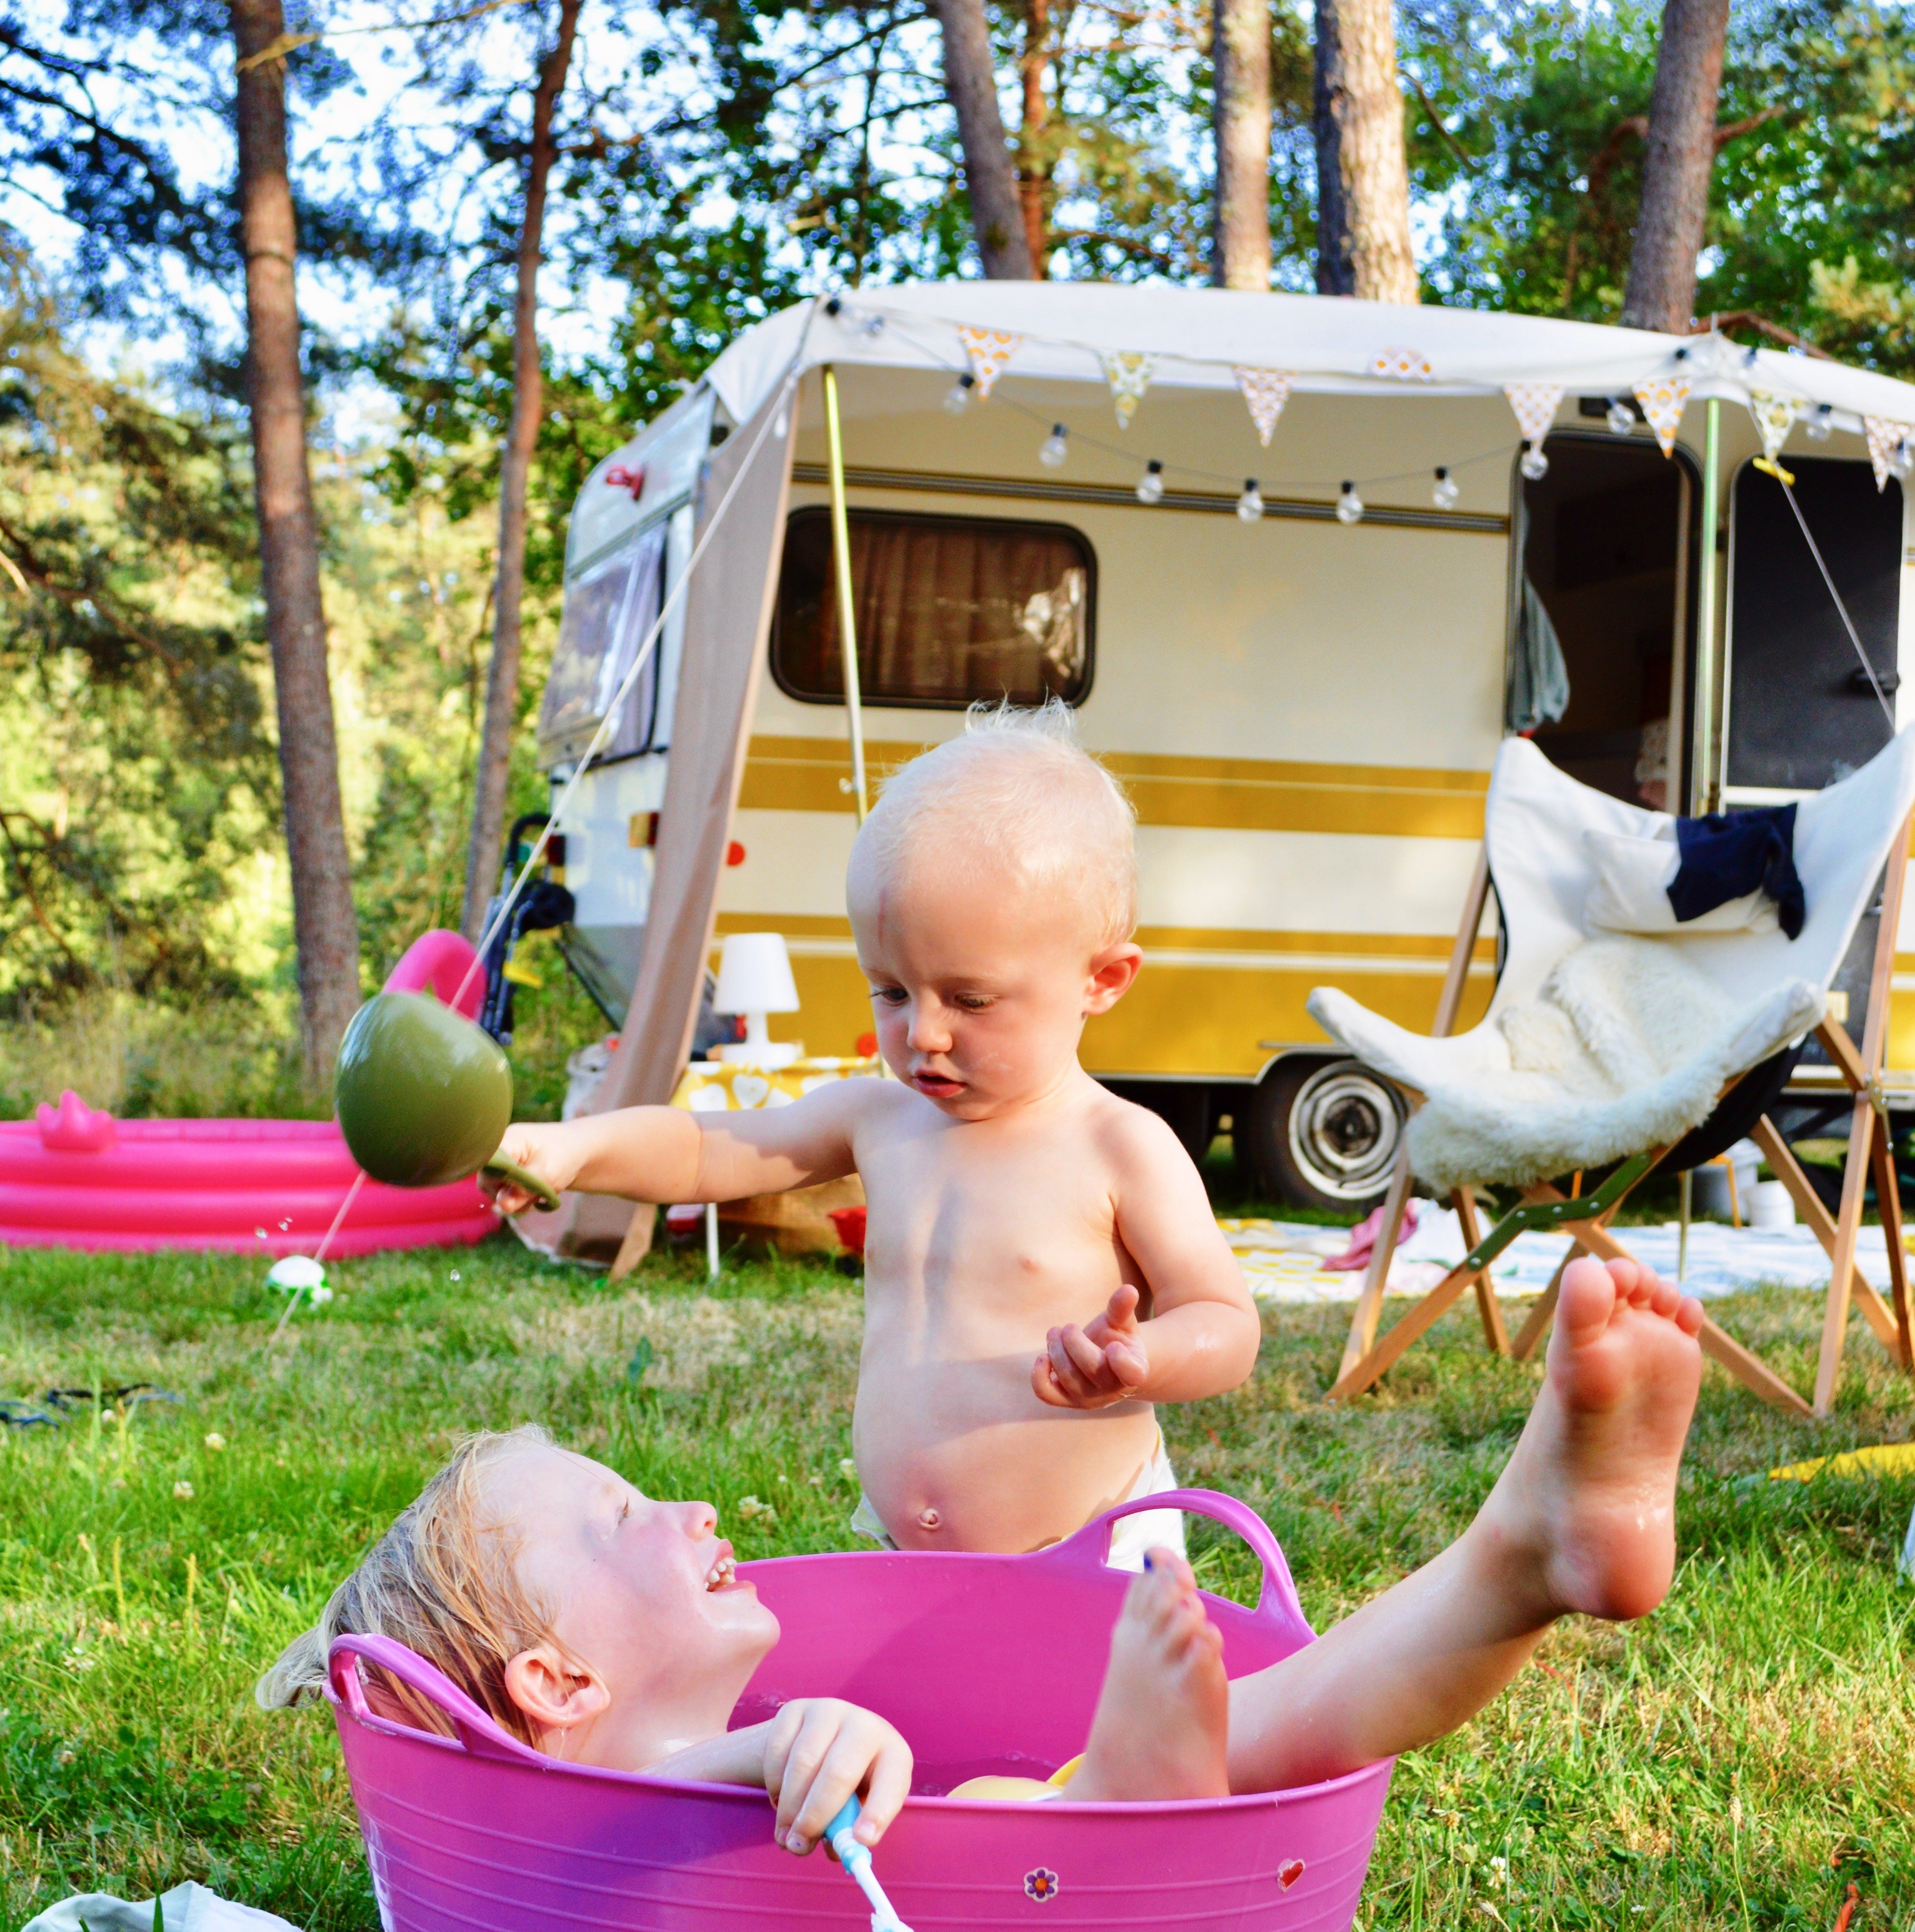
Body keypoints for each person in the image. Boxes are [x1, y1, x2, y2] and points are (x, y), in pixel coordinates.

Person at [259, 1252, 1704, 1838]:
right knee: (1035, 1802)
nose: (691, 1508)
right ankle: (1124, 1803)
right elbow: (689, 1789)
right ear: (560, 1687)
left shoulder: (668, 1760)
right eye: (629, 1519)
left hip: (1025, 1859)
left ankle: (1525, 1558)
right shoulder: (644, 1793)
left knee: (1289, 1716)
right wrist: (788, 1743)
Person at [490, 702, 1262, 1565]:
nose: (924, 1033)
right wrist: (574, 1148)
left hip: (1090, 1556)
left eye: (970, 999)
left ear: (1104, 979)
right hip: (910, 1551)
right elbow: (708, 1147)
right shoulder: (880, 1118)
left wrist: (1144, 1356)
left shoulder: (1118, 1146)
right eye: (891, 991)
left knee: (1096, 1707)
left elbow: (1225, 1321)